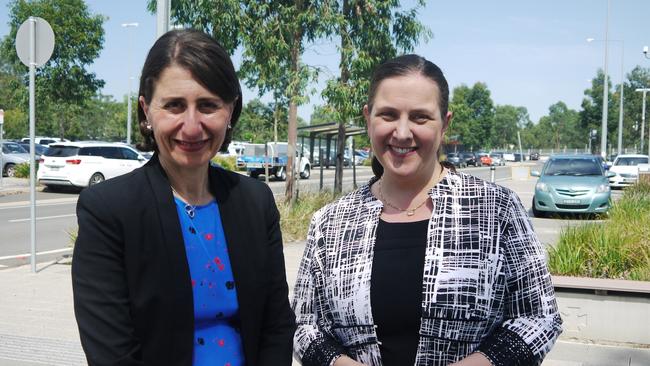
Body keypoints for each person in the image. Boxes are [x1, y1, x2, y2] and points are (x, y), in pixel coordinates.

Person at [292, 54, 562, 366]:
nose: (403, 132)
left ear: (444, 124)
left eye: (420, 117)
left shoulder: (496, 209)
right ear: (368, 118)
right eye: (388, 115)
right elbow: (304, 325)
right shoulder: (331, 221)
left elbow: (538, 317)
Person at [72, 29, 295, 366]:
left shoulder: (255, 201)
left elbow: (277, 325)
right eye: (174, 106)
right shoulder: (109, 211)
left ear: (231, 110)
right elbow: (112, 354)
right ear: (146, 110)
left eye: (208, 106)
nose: (192, 127)